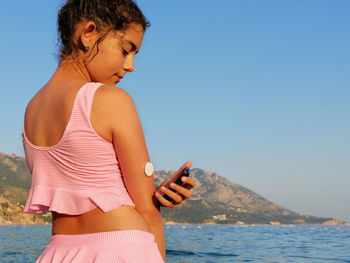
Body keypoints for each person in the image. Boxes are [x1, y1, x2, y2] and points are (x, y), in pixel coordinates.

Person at [21, 0, 196, 262]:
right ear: (89, 32)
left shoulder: (31, 110)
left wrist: (155, 194)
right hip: (121, 248)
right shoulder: (110, 99)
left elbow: (84, 182)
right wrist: (153, 207)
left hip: (57, 253)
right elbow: (147, 213)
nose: (130, 65)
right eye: (126, 50)